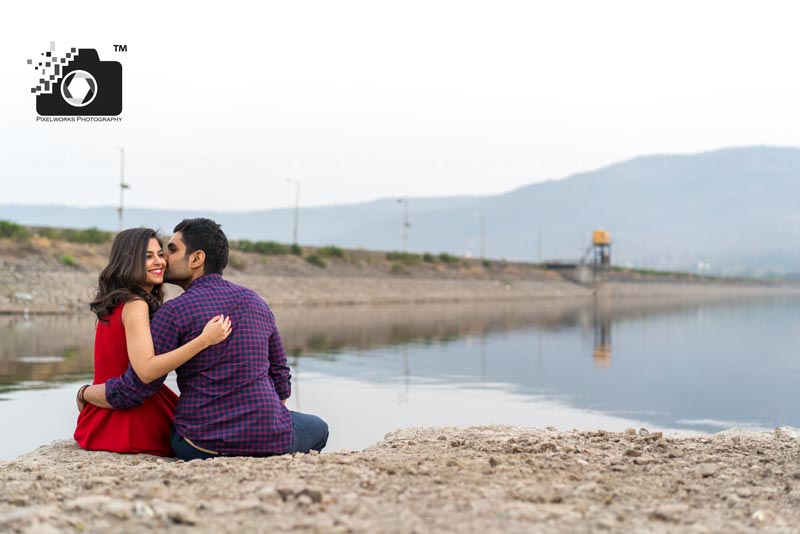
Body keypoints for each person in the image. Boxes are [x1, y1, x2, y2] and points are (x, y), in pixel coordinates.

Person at [79, 218, 328, 460]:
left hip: (198, 443)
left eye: (171, 250)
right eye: (154, 254)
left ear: (197, 259)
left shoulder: (173, 312)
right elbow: (281, 377)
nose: (164, 258)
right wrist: (262, 419)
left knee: (179, 433)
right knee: (319, 428)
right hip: (268, 434)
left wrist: (85, 393)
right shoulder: (256, 301)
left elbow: (138, 387)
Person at [74, 228, 231, 457]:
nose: (160, 262)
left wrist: (85, 393)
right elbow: (146, 371)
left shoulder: (116, 302)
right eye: (148, 256)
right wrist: (203, 340)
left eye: (160, 254)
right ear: (127, 261)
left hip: (100, 417)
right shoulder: (136, 304)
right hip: (129, 421)